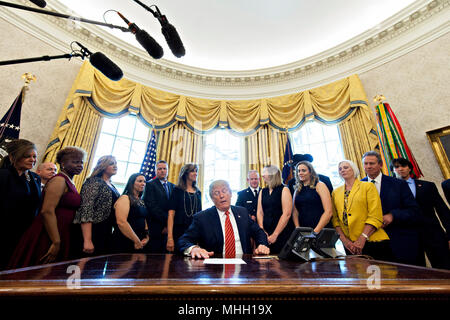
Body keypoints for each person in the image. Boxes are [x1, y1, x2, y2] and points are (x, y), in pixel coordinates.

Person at [8, 146, 85, 268]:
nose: (79, 165)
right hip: (47, 234)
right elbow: (47, 211)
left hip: (60, 231)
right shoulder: (59, 180)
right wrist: (56, 241)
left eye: (81, 162)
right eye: (75, 162)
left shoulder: (70, 181)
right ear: (63, 163)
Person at [178, 180, 269, 259]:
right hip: (214, 268)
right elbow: (184, 240)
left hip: (245, 264)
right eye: (216, 193)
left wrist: (262, 245)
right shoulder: (202, 218)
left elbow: (259, 232)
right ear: (212, 198)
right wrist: (194, 248)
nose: (221, 195)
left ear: (231, 194)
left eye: (224, 191)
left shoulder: (242, 212)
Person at [361, 151, 422, 266]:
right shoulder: (358, 187)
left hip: (399, 241)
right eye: (366, 164)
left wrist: (393, 215)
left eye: (372, 163)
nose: (368, 166)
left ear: (380, 164)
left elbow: (414, 210)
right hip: (373, 245)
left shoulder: (398, 184)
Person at [391, 158, 450, 269]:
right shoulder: (390, 191)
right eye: (397, 167)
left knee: (444, 268)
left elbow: (442, 210)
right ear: (393, 171)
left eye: (403, 166)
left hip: (433, 234)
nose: (401, 169)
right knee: (415, 272)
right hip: (408, 237)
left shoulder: (428, 186)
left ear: (409, 168)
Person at [332, 160, 392, 261]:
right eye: (340, 169)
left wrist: (362, 238)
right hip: (350, 246)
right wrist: (345, 241)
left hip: (372, 241)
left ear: (354, 170)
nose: (342, 170)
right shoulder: (335, 192)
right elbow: (335, 220)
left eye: (346, 167)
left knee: (382, 275)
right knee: (359, 276)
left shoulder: (368, 186)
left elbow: (375, 216)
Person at [0, 139, 41, 270]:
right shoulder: (3, 175)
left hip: (24, 232)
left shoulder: (35, 178)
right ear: (13, 157)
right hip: (5, 230)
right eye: (27, 156)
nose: (32, 160)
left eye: (34, 156)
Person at [73, 155, 120, 256]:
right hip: (92, 230)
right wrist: (87, 240)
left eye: (116, 163)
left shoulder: (111, 185)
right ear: (103, 166)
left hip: (106, 231)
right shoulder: (93, 182)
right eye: (111, 164)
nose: (115, 166)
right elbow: (86, 209)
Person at [257, 165, 294, 254]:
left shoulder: (284, 189)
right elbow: (260, 212)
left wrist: (275, 234)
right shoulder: (263, 191)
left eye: (264, 173)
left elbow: (287, 214)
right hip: (266, 233)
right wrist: (262, 231)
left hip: (282, 232)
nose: (262, 176)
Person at [166, 163, 202, 252]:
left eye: (196, 171)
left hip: (194, 233)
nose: (195, 173)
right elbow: (171, 215)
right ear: (185, 174)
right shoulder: (177, 190)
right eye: (192, 171)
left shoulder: (198, 192)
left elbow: (200, 217)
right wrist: (170, 238)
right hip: (178, 232)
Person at [112, 173, 149, 253]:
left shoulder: (141, 200)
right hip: (125, 240)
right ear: (132, 183)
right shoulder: (125, 198)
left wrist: (147, 236)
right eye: (140, 181)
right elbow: (121, 222)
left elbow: (144, 218)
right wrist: (136, 240)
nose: (143, 183)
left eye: (144, 181)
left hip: (140, 241)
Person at [292, 161, 333, 234]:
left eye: (303, 170)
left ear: (310, 172)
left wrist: (315, 232)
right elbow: (295, 211)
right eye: (298, 171)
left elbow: (328, 212)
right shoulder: (297, 189)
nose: (300, 173)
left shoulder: (320, 185)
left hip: (321, 229)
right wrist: (298, 228)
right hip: (304, 230)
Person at [143, 160, 174, 253]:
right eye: (159, 169)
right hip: (156, 228)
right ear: (156, 170)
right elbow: (152, 207)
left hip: (170, 229)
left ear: (168, 171)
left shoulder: (172, 186)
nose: (162, 171)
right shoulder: (149, 184)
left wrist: (169, 226)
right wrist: (167, 222)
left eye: (164, 169)